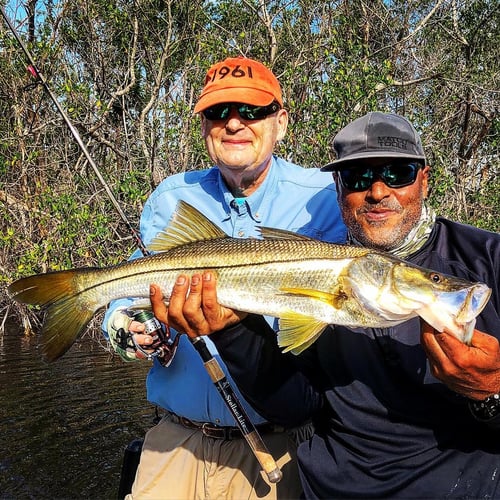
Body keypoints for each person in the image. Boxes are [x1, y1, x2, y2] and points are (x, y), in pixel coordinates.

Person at [157, 112, 500, 498]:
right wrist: (231, 330)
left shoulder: (488, 259)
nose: (377, 191)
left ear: (424, 180)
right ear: (338, 189)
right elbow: (295, 408)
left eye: (398, 172)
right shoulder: (325, 266)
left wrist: (493, 390)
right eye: (356, 178)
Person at [102, 55, 347, 499]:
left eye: (252, 111)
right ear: (203, 127)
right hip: (174, 441)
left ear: (282, 122)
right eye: (218, 113)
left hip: (276, 447)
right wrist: (129, 330)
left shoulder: (325, 199)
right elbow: (129, 291)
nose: (234, 124)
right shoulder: (172, 196)